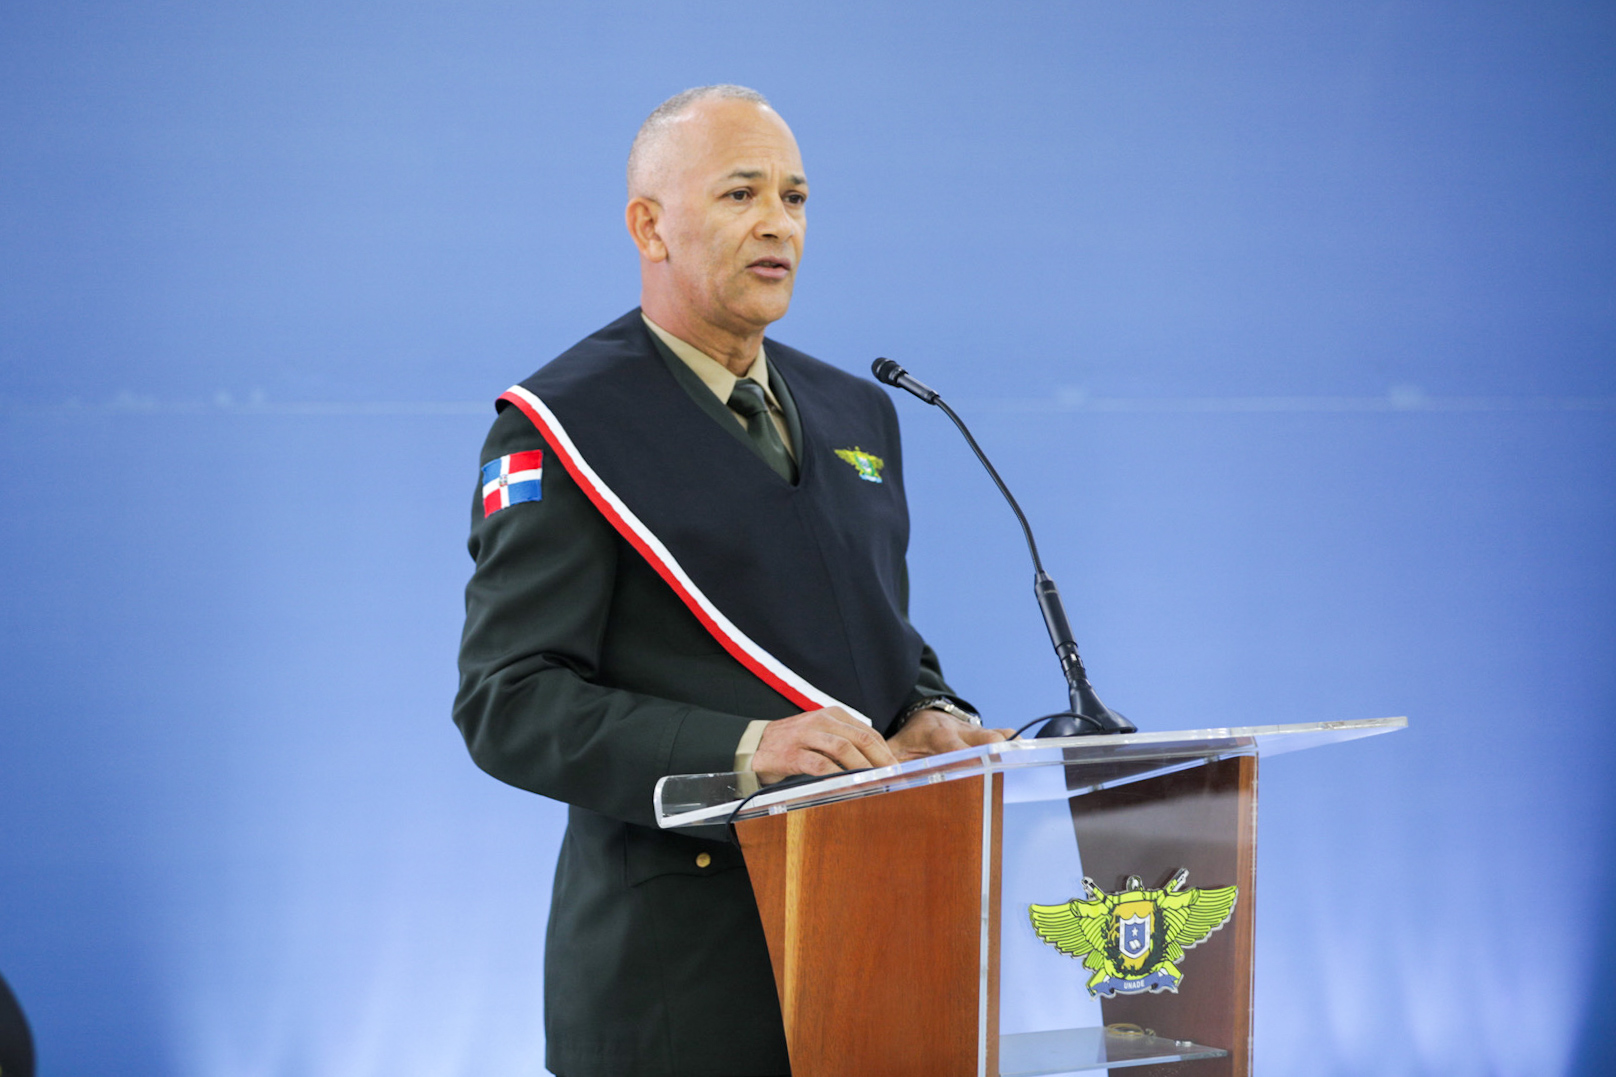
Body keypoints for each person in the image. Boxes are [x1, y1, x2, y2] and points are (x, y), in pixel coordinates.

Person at [454, 84, 1011, 1077]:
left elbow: (869, 627)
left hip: (875, 945)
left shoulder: (857, 413)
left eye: (795, 198)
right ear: (649, 226)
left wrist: (927, 711)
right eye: (740, 193)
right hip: (680, 979)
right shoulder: (563, 426)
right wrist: (753, 747)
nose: (777, 224)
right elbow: (510, 701)